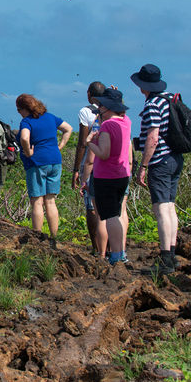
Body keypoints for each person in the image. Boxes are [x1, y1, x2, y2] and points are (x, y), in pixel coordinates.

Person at [131, 64, 184, 275]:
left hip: (160, 160)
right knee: (170, 206)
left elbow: (153, 137)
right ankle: (171, 254)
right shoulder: (171, 99)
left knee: (161, 209)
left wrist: (143, 166)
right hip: (175, 158)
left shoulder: (153, 104)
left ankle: (165, 259)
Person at [16, 94, 73, 247]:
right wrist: (60, 146)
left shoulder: (27, 121)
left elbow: (24, 138)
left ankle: (37, 237)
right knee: (50, 200)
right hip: (55, 161)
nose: (19, 113)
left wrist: (28, 153)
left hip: (38, 162)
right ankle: (54, 237)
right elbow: (68, 129)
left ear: (24, 109)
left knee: (37, 201)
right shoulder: (50, 117)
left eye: (19, 110)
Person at [86, 88, 132, 265]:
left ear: (107, 107)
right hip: (122, 174)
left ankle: (115, 255)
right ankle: (121, 253)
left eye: (102, 105)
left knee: (109, 216)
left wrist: (89, 143)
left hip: (107, 176)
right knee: (118, 214)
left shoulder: (107, 125)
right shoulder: (126, 121)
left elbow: (103, 154)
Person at [72, 82, 106, 254]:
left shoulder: (86, 112)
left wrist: (76, 170)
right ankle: (114, 248)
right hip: (113, 164)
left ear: (89, 94)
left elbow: (82, 144)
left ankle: (96, 248)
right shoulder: (113, 110)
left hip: (92, 165)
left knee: (91, 207)